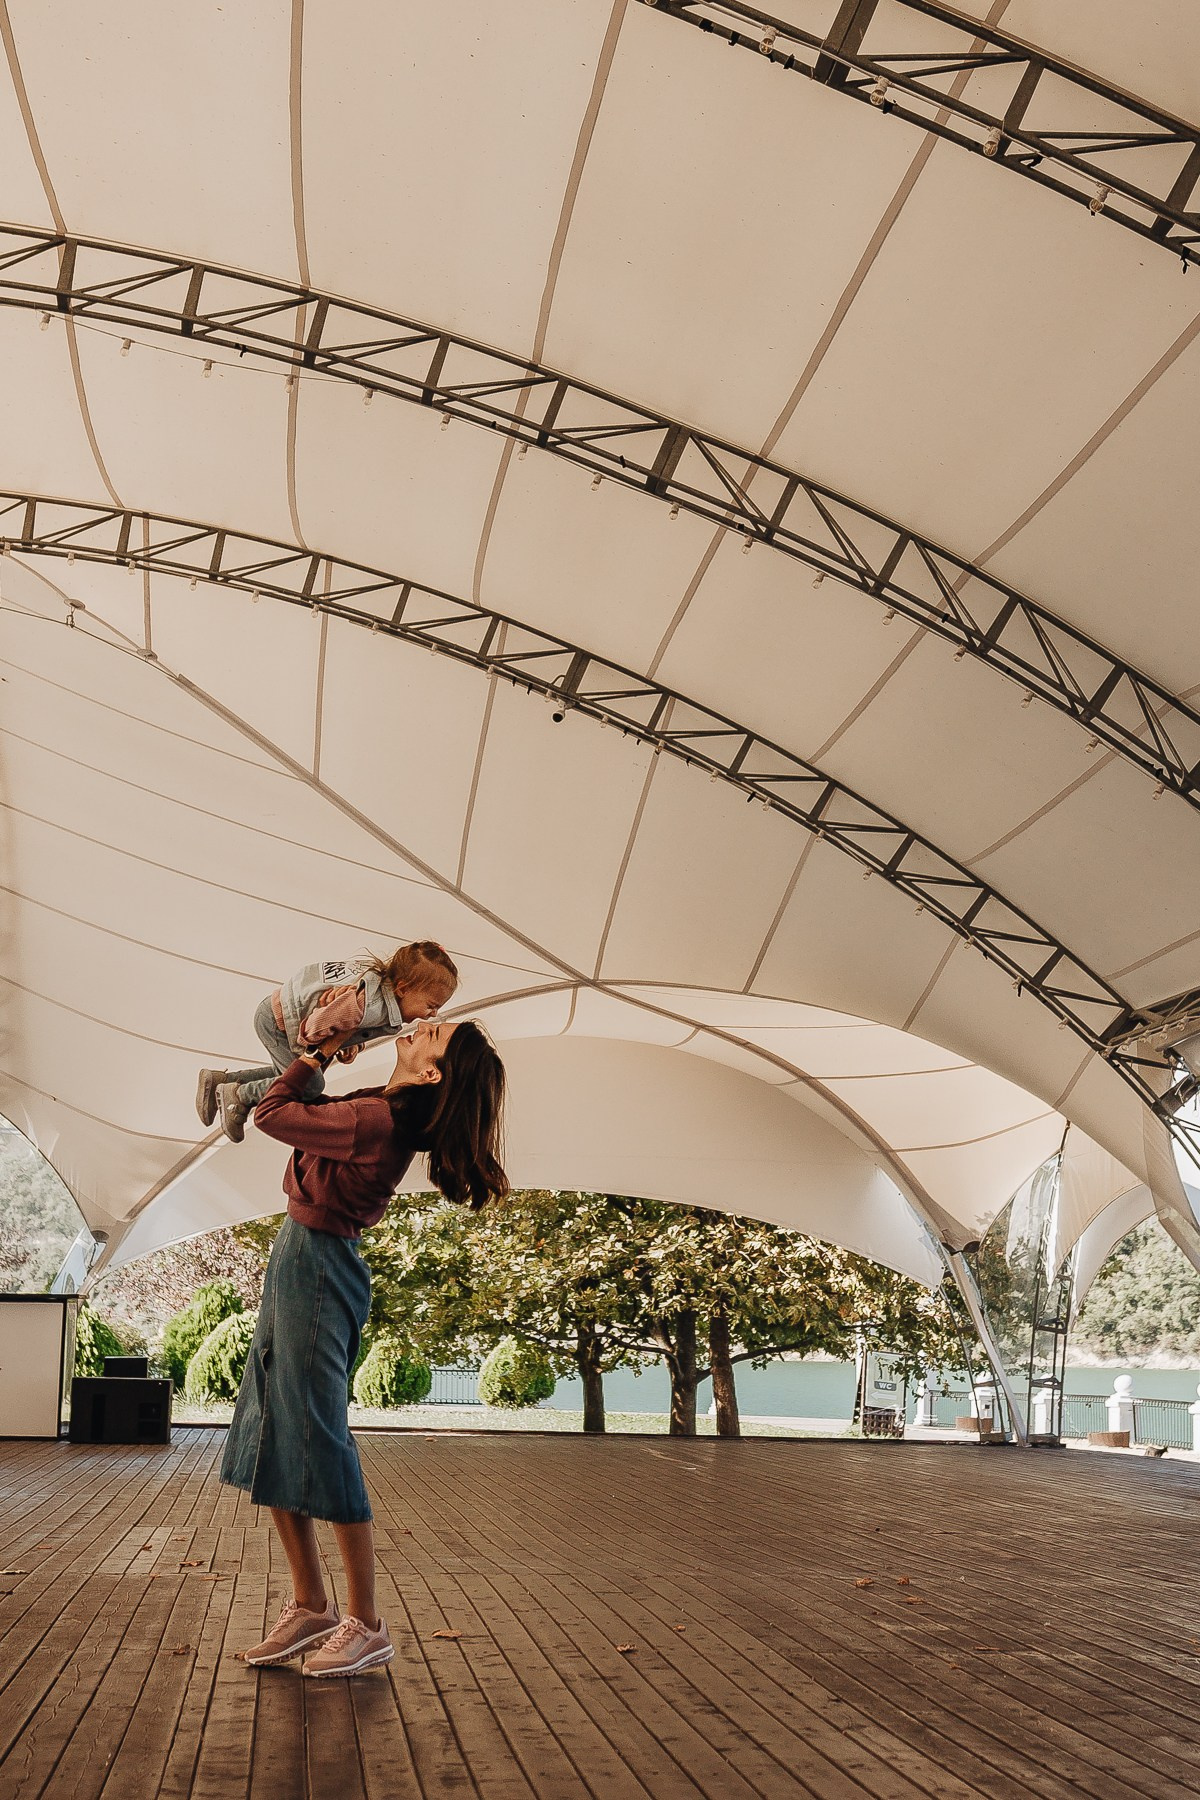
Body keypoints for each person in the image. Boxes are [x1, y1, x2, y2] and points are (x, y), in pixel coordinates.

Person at [220, 1015, 508, 1678]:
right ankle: (312, 1604)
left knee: (320, 1437)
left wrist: (320, 1051)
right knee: (271, 1429)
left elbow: (271, 1111)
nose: (421, 1025)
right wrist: (321, 1050)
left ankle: (366, 1623)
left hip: (319, 1269)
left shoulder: (377, 1122)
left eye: (434, 1035)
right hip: (299, 1258)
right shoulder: (379, 1106)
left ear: (432, 1073)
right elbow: (297, 1106)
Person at [195, 941, 459, 1142]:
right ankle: (239, 1095)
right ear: (402, 989)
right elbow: (315, 1026)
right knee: (310, 1085)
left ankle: (222, 1080)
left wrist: (351, 1044)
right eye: (431, 1005)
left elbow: (347, 1026)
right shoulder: (370, 1004)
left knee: (294, 1076)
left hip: (276, 1011)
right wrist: (317, 1048)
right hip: (278, 1022)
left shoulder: (377, 995)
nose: (432, 1015)